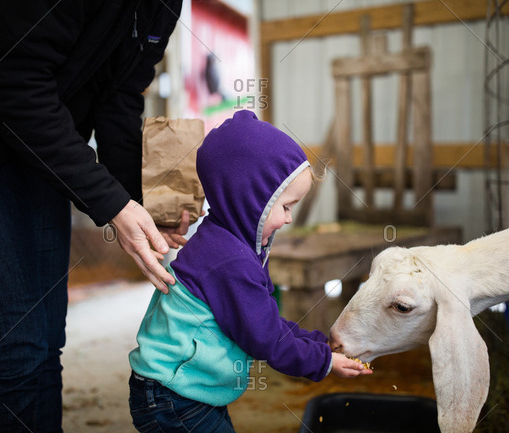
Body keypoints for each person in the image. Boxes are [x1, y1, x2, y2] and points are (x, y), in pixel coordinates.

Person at [0, 1, 185, 431]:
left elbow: (121, 98)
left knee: (44, 344)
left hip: (39, 144)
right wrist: (110, 204)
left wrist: (135, 202)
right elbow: (11, 82)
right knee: (11, 346)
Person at [128, 110, 373, 432]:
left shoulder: (225, 242)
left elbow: (263, 320)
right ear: (250, 199)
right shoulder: (230, 262)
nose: (288, 219)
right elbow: (265, 340)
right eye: (285, 206)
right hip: (174, 397)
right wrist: (322, 362)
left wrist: (318, 344)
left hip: (184, 391)